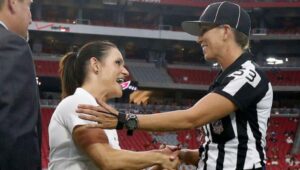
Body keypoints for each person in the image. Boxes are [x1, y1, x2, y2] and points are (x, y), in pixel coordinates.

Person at [76, 1, 273, 170]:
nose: (198, 38)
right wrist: (184, 154)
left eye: (204, 30)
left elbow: (191, 118)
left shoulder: (248, 75)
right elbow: (223, 149)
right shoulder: (227, 79)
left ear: (225, 31)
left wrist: (125, 121)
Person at [48, 41, 179, 170]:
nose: (126, 72)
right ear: (95, 65)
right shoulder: (79, 102)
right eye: (118, 63)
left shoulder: (103, 115)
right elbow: (107, 160)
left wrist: (161, 165)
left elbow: (115, 165)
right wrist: (159, 156)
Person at [0, 0, 41, 169]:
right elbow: (16, 135)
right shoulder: (10, 45)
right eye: (29, 6)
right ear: (13, 3)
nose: (31, 18)